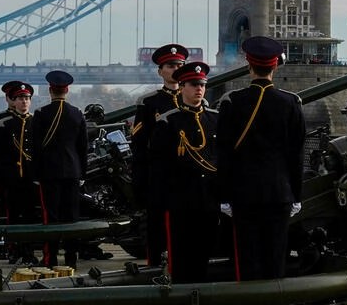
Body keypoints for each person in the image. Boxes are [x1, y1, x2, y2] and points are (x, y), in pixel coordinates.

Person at [216, 36, 305, 281]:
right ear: (275, 66)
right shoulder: (291, 103)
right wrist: (296, 195)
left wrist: (224, 197)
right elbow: (296, 155)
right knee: (275, 259)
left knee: (248, 260)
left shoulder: (232, 102)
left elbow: (223, 154)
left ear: (249, 65)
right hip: (279, 194)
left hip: (243, 195)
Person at [149, 61, 219, 283]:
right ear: (182, 86)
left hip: (209, 200)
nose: (199, 88)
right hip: (180, 201)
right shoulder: (169, 122)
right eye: (193, 84)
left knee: (205, 256)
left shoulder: (215, 119)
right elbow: (159, 168)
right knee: (180, 258)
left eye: (202, 84)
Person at [131, 43, 185, 266]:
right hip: (159, 175)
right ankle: (154, 267)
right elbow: (140, 144)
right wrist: (140, 181)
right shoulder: (149, 102)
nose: (175, 69)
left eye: (179, 65)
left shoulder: (195, 99)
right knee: (156, 227)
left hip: (186, 176)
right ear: (160, 70)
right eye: (170, 65)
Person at [29, 70, 87, 268]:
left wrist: (35, 174)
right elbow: (83, 147)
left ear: (49, 90)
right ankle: (71, 261)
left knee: (50, 217)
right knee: (72, 217)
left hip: (48, 173)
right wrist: (82, 173)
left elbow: (35, 147)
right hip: (72, 172)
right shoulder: (77, 113)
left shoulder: (40, 114)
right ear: (67, 90)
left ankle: (50, 259)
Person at [0, 80, 37, 264]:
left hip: (29, 177)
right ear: (12, 100)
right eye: (21, 98)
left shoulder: (34, 121)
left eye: (27, 98)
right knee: (11, 215)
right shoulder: (1, 121)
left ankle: (28, 251)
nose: (24, 102)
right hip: (10, 177)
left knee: (30, 215)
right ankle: (13, 250)